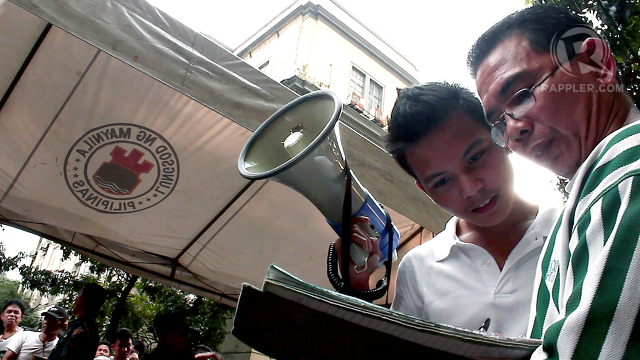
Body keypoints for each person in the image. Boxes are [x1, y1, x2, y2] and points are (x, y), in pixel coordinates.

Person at [467, 4, 640, 358]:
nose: (514, 130)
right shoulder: (592, 191)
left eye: (521, 95)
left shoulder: (627, 173)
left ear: (597, 64)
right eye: (499, 123)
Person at [338, 82, 560, 337]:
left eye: (475, 158)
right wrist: (356, 287)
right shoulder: (419, 269)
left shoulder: (575, 230)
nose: (470, 189)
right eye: (442, 181)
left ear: (502, 137)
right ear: (425, 191)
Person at [48, 283, 108, 360]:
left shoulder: (81, 329)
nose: (75, 300)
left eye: (78, 296)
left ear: (83, 299)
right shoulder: (88, 328)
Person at [2, 305, 67, 360]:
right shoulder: (25, 336)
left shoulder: (58, 347)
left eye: (52, 320)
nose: (46, 322)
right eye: (46, 319)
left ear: (62, 324)